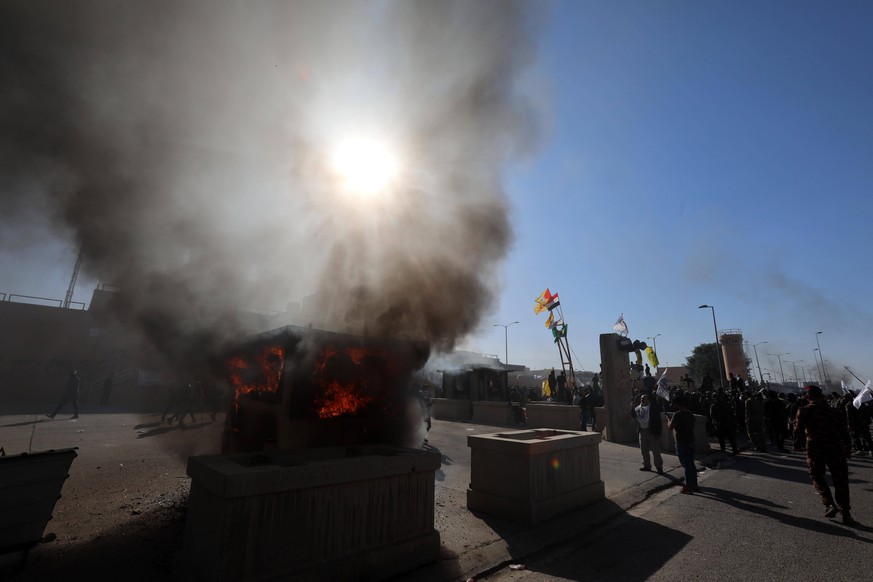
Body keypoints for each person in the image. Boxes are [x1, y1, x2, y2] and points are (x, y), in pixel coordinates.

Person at [794, 385, 856, 525]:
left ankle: (829, 503)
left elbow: (797, 430)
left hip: (816, 448)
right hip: (835, 447)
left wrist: (798, 445)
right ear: (821, 395)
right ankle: (845, 512)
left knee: (816, 475)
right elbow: (844, 432)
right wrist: (847, 448)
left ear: (807, 397)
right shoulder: (834, 411)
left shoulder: (804, 411)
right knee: (840, 480)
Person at [668, 395, 698, 493]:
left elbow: (671, 427)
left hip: (681, 442)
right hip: (691, 440)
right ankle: (694, 484)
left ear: (677, 404)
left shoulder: (677, 415)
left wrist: (669, 420)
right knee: (691, 463)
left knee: (686, 464)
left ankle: (688, 486)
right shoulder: (690, 414)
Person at [632, 393, 663, 473]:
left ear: (648, 400)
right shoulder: (638, 408)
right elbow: (633, 415)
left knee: (655, 450)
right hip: (642, 431)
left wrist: (658, 434)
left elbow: (658, 422)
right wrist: (632, 406)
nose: (642, 400)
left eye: (644, 398)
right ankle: (647, 465)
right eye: (641, 399)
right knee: (644, 450)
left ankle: (659, 467)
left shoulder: (653, 408)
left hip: (652, 432)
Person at [710, 391, 738, 455]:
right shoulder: (725, 404)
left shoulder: (714, 405)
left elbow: (712, 415)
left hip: (722, 424)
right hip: (725, 423)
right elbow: (731, 413)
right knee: (729, 438)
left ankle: (725, 449)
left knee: (723, 438)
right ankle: (734, 450)